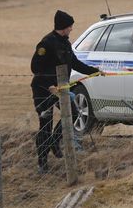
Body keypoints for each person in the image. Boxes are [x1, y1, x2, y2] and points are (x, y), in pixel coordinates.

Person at [31, 10, 102, 174]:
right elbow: (36, 68)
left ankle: (55, 142)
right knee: (45, 126)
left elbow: (75, 64)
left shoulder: (65, 43)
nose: (71, 29)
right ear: (63, 27)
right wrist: (49, 86)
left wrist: (94, 71)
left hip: (61, 89)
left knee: (74, 114)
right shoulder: (45, 44)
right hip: (43, 90)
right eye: (70, 26)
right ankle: (42, 163)